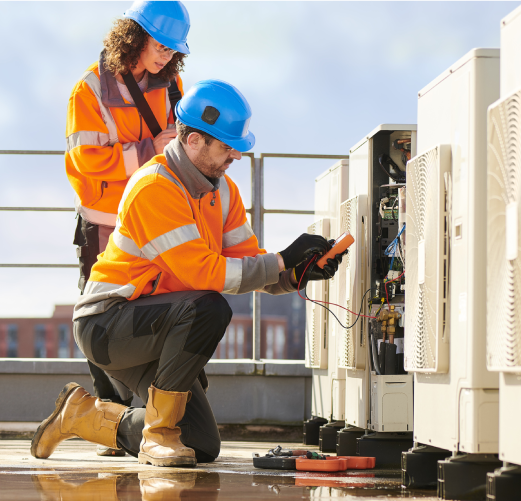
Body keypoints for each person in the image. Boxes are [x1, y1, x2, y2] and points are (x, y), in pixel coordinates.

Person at [31, 80, 344, 466]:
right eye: (227, 147)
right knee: (210, 307)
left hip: (160, 326)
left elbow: (246, 261)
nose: (236, 156)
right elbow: (203, 273)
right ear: (194, 140)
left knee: (200, 445)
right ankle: (158, 435)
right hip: (109, 324)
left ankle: (82, 415)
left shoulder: (223, 190)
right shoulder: (154, 187)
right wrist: (281, 260)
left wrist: (296, 273)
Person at [63, 0, 190, 456]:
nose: (166, 56)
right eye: (160, 45)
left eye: (174, 50)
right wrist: (149, 148)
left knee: (151, 313)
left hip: (153, 221)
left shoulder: (172, 82)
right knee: (102, 320)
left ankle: (138, 419)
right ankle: (107, 419)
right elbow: (85, 163)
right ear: (134, 36)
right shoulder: (90, 89)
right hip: (105, 225)